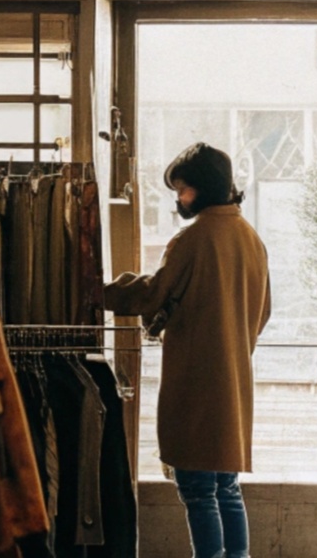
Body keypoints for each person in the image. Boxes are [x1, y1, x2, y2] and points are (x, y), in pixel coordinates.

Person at [104, 142, 271, 558]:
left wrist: (103, 292)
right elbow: (264, 310)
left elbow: (154, 293)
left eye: (182, 189)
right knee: (226, 487)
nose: (179, 198)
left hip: (197, 381)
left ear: (203, 188)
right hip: (234, 379)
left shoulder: (193, 239)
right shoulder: (251, 238)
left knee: (196, 490)